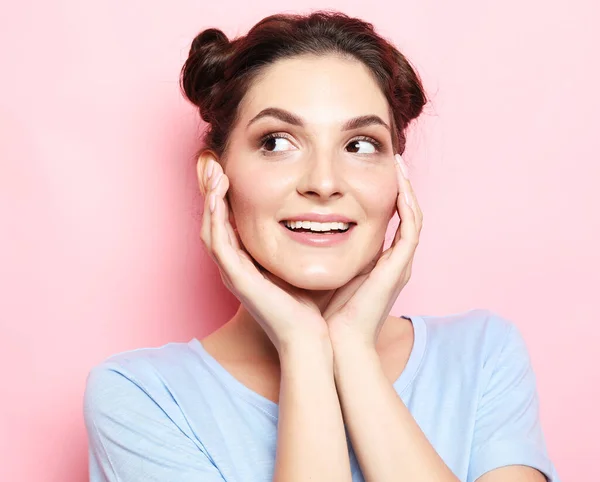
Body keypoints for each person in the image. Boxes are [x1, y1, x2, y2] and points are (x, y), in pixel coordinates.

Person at [83, 10, 561, 482]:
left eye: (360, 145)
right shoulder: (143, 397)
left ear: (398, 178)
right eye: (276, 142)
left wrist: (352, 351)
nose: (324, 182)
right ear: (216, 177)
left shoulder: (481, 355)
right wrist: (304, 348)